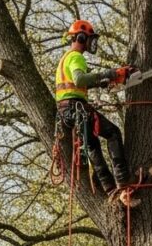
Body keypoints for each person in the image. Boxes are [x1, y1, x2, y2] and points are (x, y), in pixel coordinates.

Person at [54, 19, 136, 196]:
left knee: (92, 145)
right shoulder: (76, 57)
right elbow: (79, 79)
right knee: (113, 133)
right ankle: (123, 180)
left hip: (66, 111)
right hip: (77, 108)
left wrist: (101, 82)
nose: (92, 43)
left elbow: (76, 85)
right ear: (81, 37)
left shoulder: (64, 59)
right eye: (90, 39)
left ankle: (109, 188)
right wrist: (109, 73)